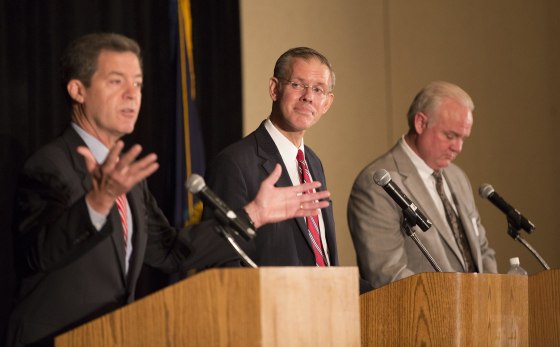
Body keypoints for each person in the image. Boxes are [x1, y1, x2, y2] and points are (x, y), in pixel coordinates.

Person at [6, 33, 330, 347]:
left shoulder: (127, 177)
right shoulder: (49, 165)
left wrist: (253, 215)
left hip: (112, 337)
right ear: (78, 90)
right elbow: (35, 255)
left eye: (138, 83)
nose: (132, 94)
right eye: (117, 81)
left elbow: (171, 253)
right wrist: (97, 202)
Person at [348, 81, 498, 288]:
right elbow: (387, 274)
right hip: (423, 316)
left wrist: (491, 297)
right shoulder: (378, 184)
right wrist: (454, 304)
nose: (458, 148)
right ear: (420, 123)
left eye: (463, 138)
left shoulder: (457, 177)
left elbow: (482, 251)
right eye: (450, 136)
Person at [203, 47, 338, 267]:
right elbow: (222, 263)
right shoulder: (234, 163)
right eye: (297, 85)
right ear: (274, 89)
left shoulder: (313, 162)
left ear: (327, 102)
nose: (308, 97)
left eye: (318, 89)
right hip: (269, 300)